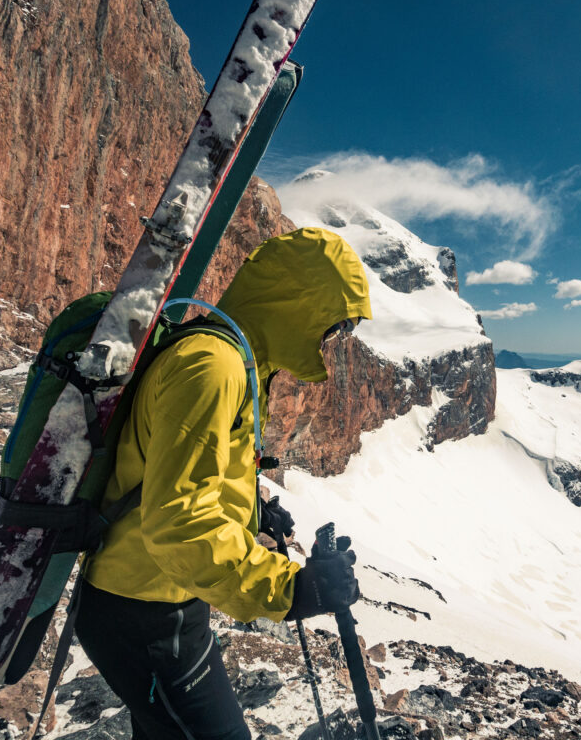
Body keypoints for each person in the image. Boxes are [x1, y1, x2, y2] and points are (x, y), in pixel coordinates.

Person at [75, 227, 373, 740]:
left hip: (160, 599)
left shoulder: (235, 359)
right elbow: (180, 525)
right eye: (335, 323)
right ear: (298, 302)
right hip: (143, 613)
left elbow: (183, 470)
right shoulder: (212, 367)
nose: (333, 339)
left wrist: (254, 512)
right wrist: (291, 588)